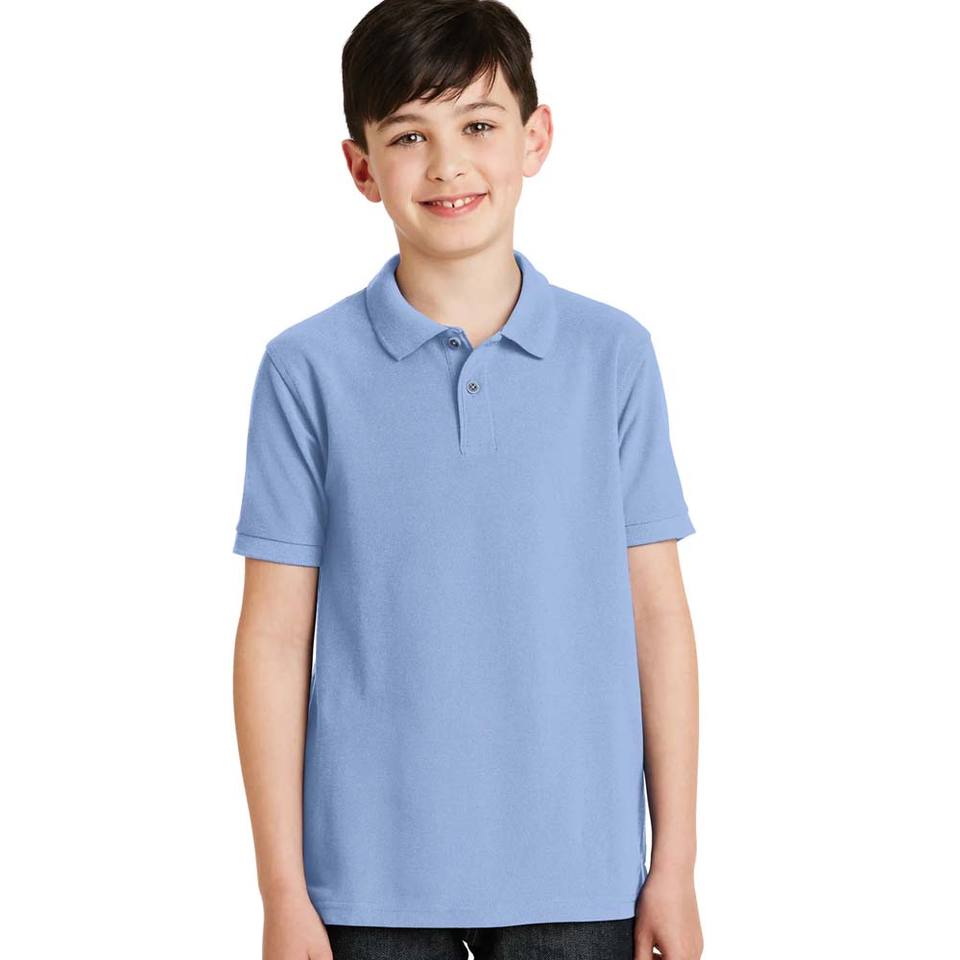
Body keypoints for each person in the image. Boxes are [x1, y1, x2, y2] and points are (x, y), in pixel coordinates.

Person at [231, 1, 703, 957]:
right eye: (410, 135)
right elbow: (273, 639)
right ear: (362, 167)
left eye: (478, 125)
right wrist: (282, 892)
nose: (448, 164)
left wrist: (677, 866)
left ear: (536, 137)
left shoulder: (613, 356)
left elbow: (657, 617)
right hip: (365, 881)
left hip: (580, 869)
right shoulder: (305, 370)